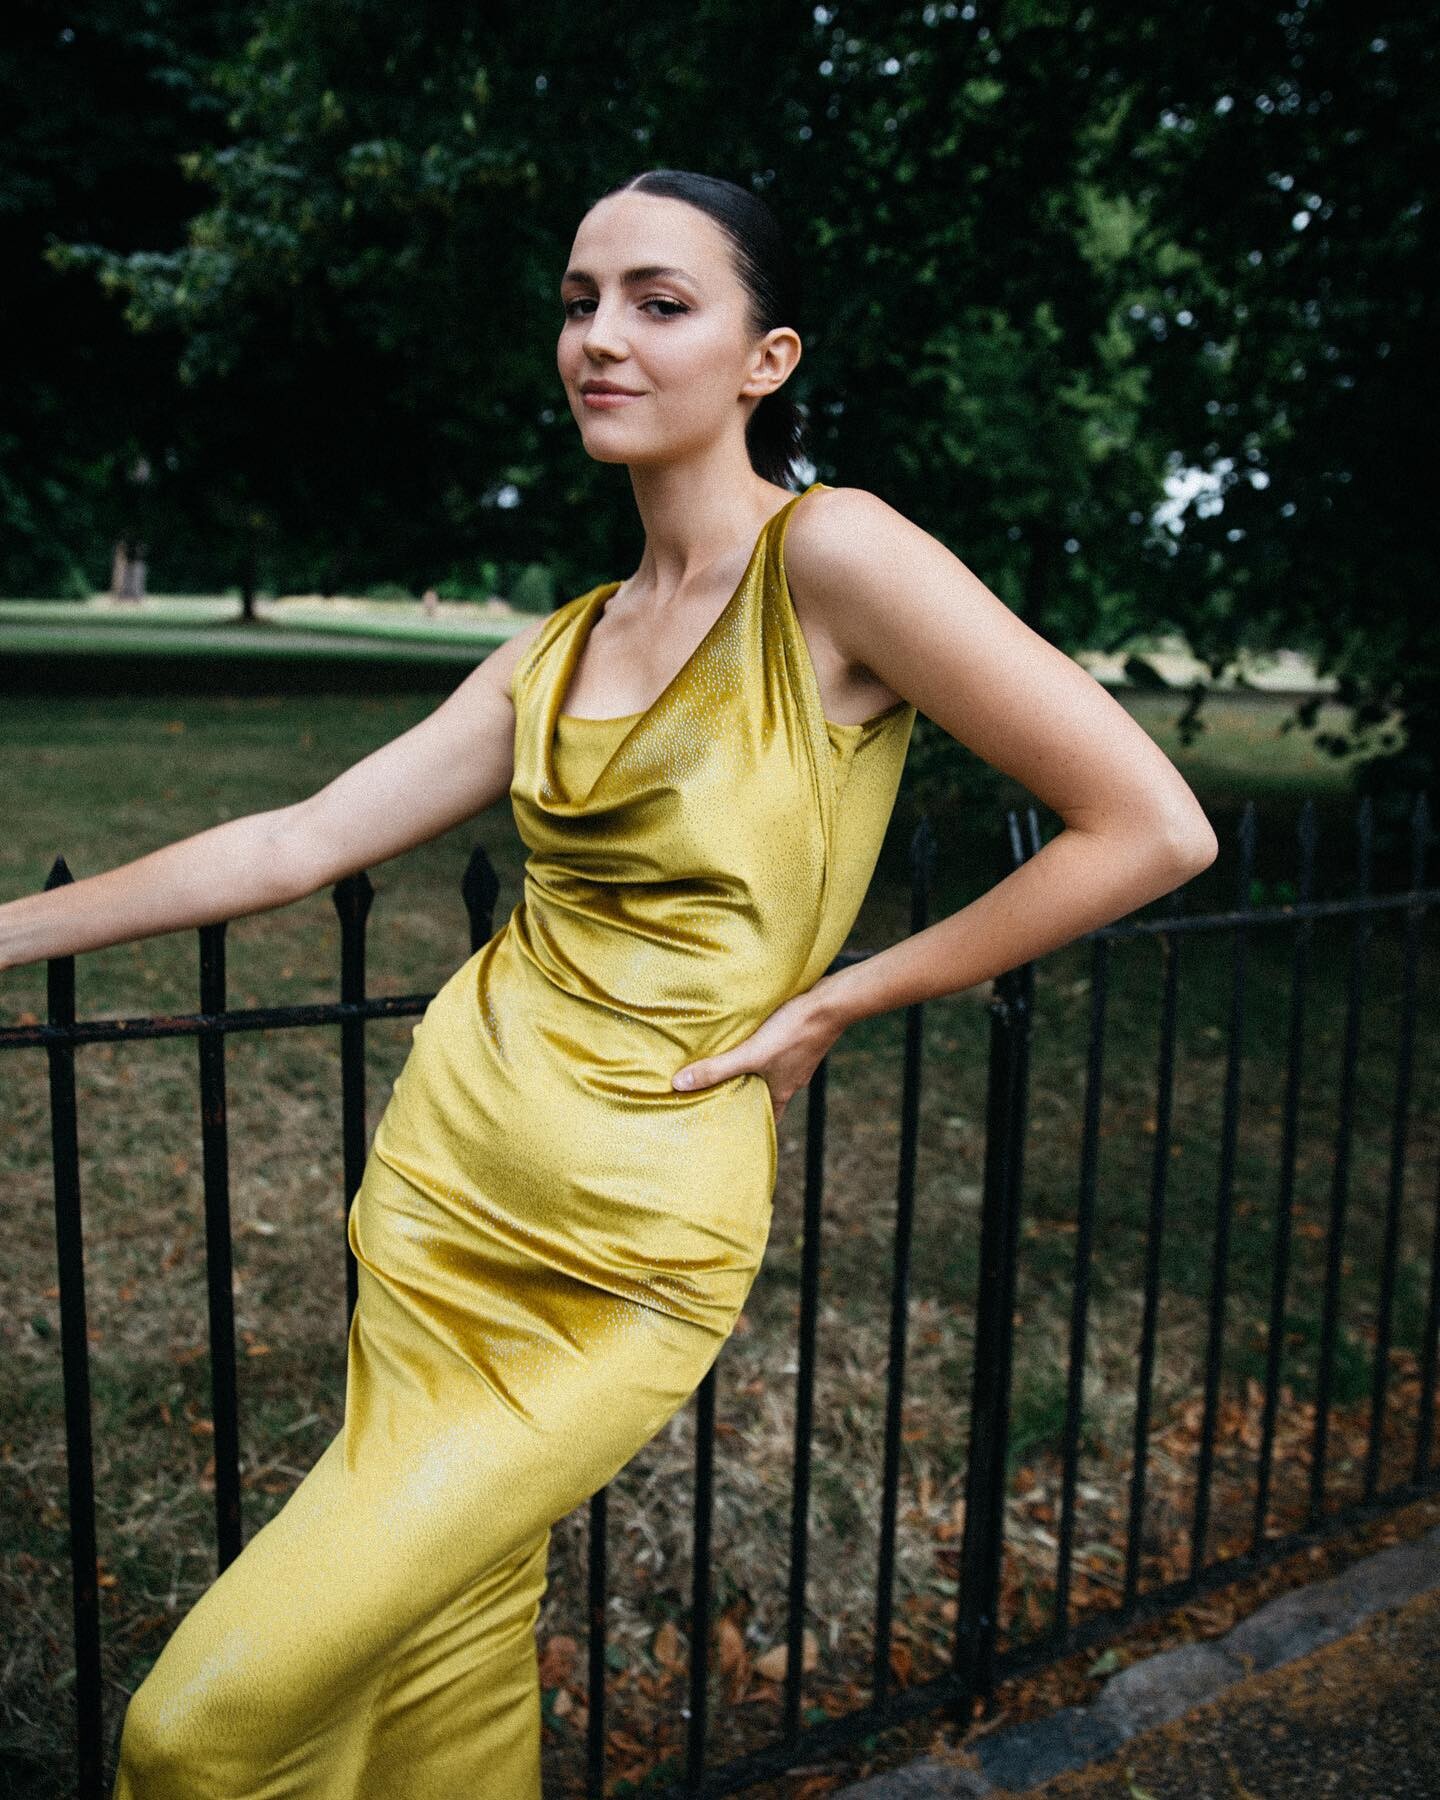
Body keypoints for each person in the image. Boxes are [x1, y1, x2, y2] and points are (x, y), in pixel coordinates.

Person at [0, 168, 1217, 1798]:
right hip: (438, 1203)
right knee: (448, 1650)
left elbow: (1151, 826)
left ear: (766, 359)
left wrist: (847, 996)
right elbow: (295, 843)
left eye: (660, 301)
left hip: (624, 1254)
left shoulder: (834, 558)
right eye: (580, 302)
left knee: (196, 1732)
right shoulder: (558, 644)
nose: (601, 338)